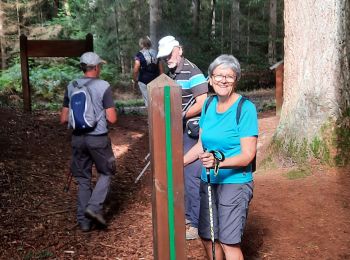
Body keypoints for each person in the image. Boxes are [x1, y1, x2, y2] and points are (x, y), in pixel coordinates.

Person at [184, 54, 258, 259]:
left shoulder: (245, 108)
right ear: (210, 78)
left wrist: (219, 162)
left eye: (229, 76)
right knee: (207, 237)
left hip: (235, 183)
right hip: (207, 181)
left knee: (228, 241)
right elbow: (201, 145)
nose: (223, 80)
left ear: (236, 80)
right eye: (218, 75)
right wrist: (178, 163)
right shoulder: (207, 105)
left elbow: (248, 155)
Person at [157, 35, 208, 240]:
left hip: (192, 130)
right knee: (178, 171)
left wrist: (180, 115)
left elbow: (203, 102)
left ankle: (195, 223)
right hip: (179, 129)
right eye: (164, 56)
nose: (167, 58)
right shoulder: (173, 71)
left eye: (169, 54)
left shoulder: (192, 71)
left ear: (179, 50)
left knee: (189, 172)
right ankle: (186, 217)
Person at [60, 52, 117, 232]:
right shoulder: (104, 86)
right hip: (98, 139)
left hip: (78, 139)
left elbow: (63, 118)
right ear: (97, 67)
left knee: (84, 179)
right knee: (107, 172)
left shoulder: (72, 86)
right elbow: (112, 118)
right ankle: (93, 207)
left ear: (82, 67)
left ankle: (83, 222)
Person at [133, 36, 163, 107]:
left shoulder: (139, 55)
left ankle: (151, 117)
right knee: (156, 101)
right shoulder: (157, 53)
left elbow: (136, 68)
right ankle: (157, 116)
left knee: (148, 102)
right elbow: (161, 69)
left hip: (143, 81)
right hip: (156, 80)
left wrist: (134, 79)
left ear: (141, 44)